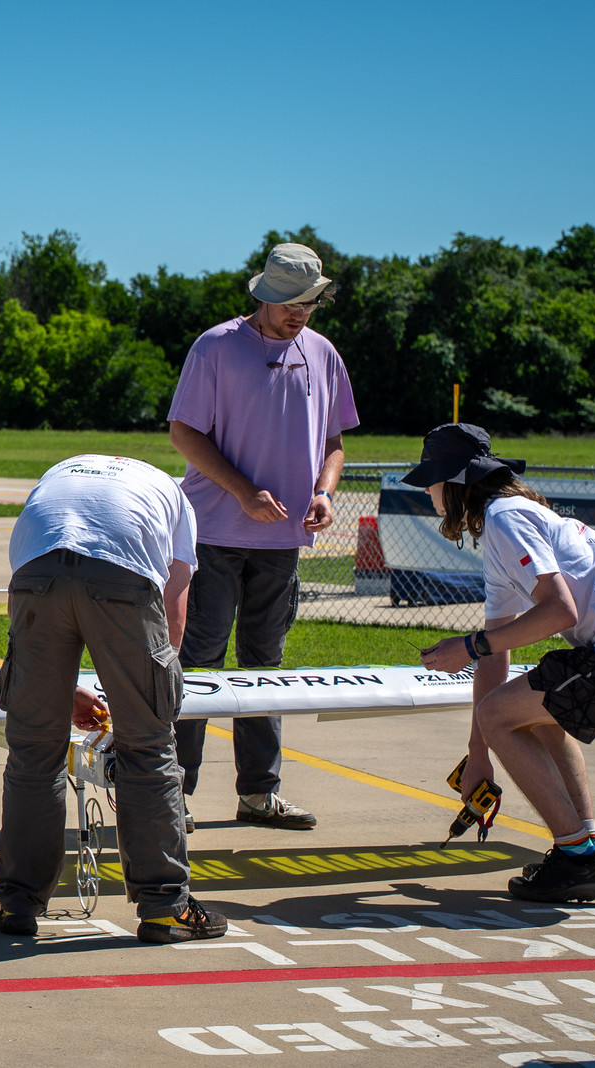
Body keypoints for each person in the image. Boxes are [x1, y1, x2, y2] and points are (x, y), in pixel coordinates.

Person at [413, 424, 595, 902]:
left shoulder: (504, 517)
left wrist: (468, 645)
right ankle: (584, 851)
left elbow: (558, 612)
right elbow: (495, 653)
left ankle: (577, 856)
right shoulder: (507, 523)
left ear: (458, 480)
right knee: (538, 715)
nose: (427, 490)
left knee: (503, 711)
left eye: (431, 479)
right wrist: (479, 753)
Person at [0, 454, 226, 945]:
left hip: (37, 574)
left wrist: (61, 691)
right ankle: (165, 906)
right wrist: (144, 702)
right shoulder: (175, 497)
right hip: (122, 576)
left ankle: (17, 901)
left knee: (33, 750)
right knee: (148, 748)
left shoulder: (59, 475)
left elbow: (22, 599)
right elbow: (172, 615)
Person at [166, 242, 358, 832]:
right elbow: (184, 433)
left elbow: (334, 442)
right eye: (289, 302)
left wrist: (324, 491)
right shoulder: (216, 346)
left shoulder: (322, 353)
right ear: (263, 296)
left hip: (282, 543)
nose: (299, 313)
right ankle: (173, 795)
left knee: (264, 668)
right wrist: (244, 491)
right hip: (214, 533)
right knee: (198, 662)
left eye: (309, 303)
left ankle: (258, 794)